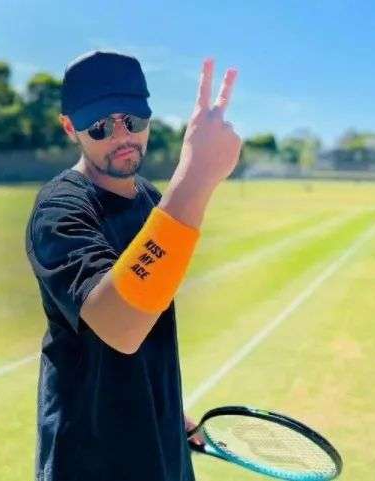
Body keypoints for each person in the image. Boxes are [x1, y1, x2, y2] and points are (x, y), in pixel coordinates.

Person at [25, 50, 242, 481]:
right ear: (70, 128)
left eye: (133, 119)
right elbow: (121, 327)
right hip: (91, 461)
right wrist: (197, 176)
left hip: (158, 443)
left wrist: (167, 411)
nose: (122, 135)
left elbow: (148, 326)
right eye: (100, 125)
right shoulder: (59, 211)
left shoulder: (152, 201)